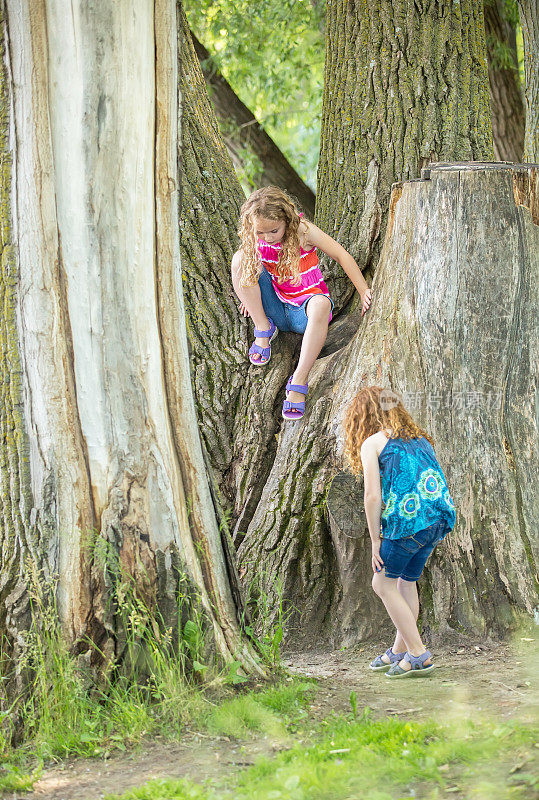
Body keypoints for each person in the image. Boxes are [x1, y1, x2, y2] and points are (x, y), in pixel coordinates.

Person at [231, 186, 372, 420]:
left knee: (321, 304)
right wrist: (248, 298)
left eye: (273, 231)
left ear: (287, 220)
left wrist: (363, 289)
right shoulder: (255, 236)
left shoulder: (304, 232)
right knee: (239, 259)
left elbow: (341, 255)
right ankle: (263, 329)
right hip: (275, 308)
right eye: (260, 233)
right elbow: (246, 274)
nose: (267, 238)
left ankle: (299, 380)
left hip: (303, 314)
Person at [343, 386, 456, 678]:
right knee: (406, 583)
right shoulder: (419, 438)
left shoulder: (372, 443)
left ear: (362, 416)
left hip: (407, 525)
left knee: (382, 585)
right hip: (436, 521)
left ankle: (419, 654)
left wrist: (375, 540)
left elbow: (372, 497)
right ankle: (399, 651)